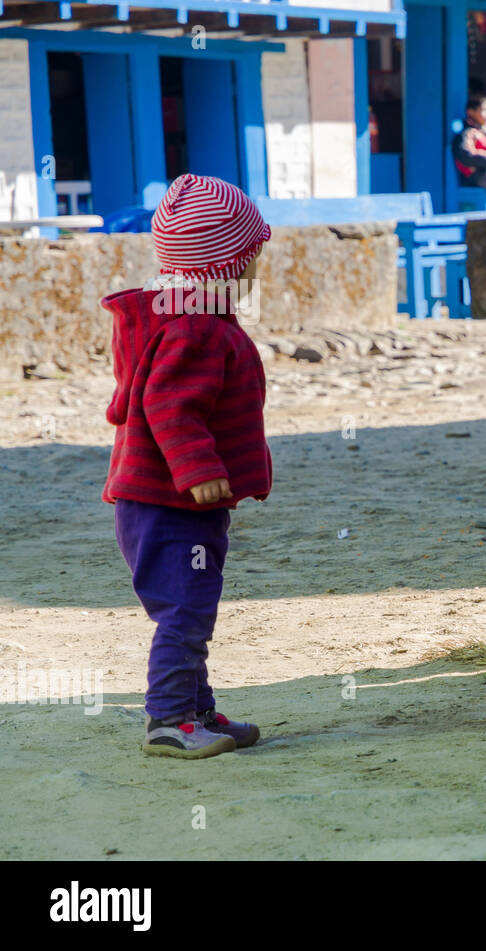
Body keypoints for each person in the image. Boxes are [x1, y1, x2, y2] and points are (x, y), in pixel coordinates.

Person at [102, 173, 271, 758]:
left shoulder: (185, 319)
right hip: (171, 502)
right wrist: (197, 467)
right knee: (185, 611)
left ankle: (197, 711)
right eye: (249, 263)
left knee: (192, 605)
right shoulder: (196, 329)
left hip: (165, 504)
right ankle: (169, 721)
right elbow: (169, 404)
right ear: (222, 268)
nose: (254, 276)